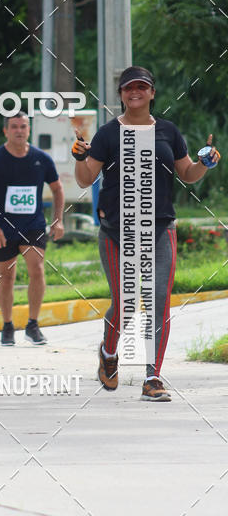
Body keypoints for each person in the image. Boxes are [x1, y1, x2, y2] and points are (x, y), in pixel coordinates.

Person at [72, 66, 220, 401]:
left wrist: (206, 163)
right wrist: (79, 157)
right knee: (124, 303)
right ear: (121, 94)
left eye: (142, 87)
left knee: (158, 302)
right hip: (116, 232)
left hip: (159, 229)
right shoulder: (109, 134)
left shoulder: (168, 131)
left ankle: (153, 377)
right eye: (129, 88)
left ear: (152, 93)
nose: (135, 92)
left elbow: (187, 173)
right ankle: (109, 354)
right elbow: (84, 179)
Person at [0, 112, 65, 346]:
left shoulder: (41, 159)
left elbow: (57, 189)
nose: (19, 130)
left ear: (29, 130)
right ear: (5, 131)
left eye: (23, 126)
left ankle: (32, 325)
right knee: (7, 277)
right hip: (3, 228)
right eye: (14, 127)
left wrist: (57, 220)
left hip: (33, 225)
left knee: (37, 269)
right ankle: (7, 326)